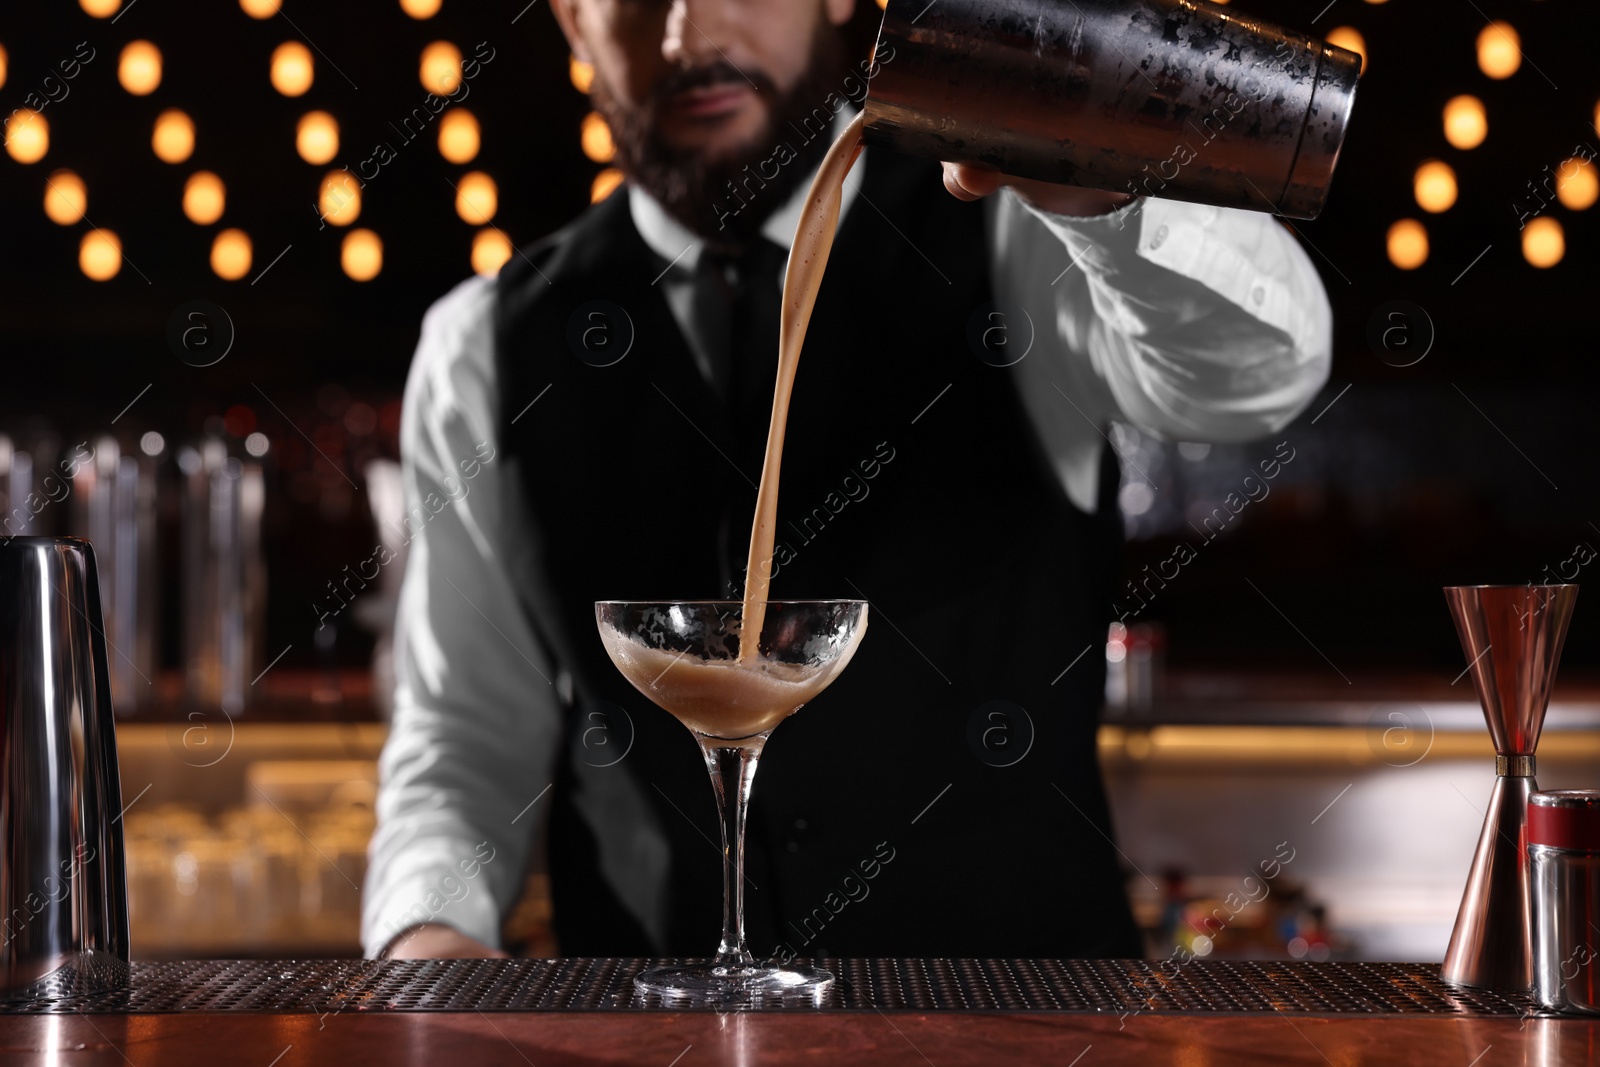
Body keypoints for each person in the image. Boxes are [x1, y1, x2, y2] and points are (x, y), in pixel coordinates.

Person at [362, 0, 1332, 960]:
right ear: (574, 25)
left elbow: (1257, 378)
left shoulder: (1012, 233)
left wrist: (1102, 194)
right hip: (652, 1035)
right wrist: (427, 934)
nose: (688, 36)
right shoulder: (482, 344)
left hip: (1029, 1029)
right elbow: (462, 741)